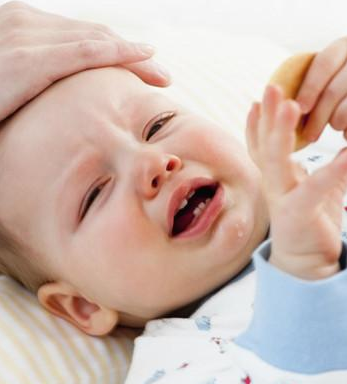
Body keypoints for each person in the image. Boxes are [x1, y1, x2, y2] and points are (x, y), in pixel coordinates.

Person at [2, 2, 347, 382]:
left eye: (157, 125)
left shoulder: (327, 157)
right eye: (95, 193)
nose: (152, 162)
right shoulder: (182, 363)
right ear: (83, 306)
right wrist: (303, 276)